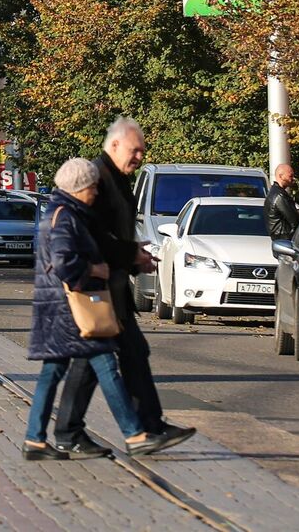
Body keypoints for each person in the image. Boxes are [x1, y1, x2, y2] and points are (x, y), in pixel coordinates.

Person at [51, 118, 194, 457]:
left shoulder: (120, 179)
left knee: (130, 354)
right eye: (135, 150)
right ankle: (76, 431)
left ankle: (148, 427)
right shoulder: (96, 178)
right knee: (93, 361)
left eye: (143, 151)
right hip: (95, 288)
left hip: (113, 286)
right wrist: (130, 254)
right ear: (113, 145)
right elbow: (92, 235)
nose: (140, 157)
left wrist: (133, 259)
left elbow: (113, 235)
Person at [24, 159, 162, 459]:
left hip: (61, 310)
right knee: (106, 365)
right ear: (79, 187)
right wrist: (95, 269)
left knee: (52, 371)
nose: (96, 193)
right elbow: (63, 263)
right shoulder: (64, 217)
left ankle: (35, 440)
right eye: (93, 187)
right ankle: (134, 434)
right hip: (72, 310)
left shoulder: (65, 213)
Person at [265, 162, 299, 240]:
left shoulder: (277, 192)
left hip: (283, 238)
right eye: (290, 176)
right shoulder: (279, 195)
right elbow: (294, 219)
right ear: (281, 176)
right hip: (284, 239)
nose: (292, 179)